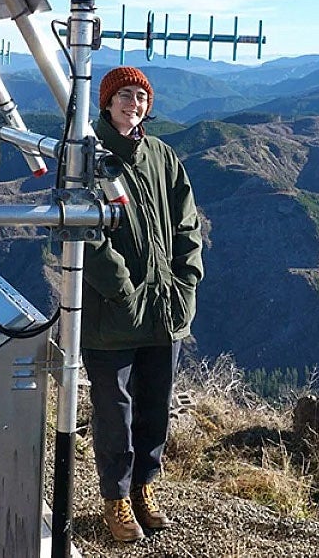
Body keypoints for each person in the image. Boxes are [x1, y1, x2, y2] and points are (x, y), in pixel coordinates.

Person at [81, 66, 204, 541]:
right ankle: (115, 497)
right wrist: (123, 288)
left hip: (165, 310)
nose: (134, 103)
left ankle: (144, 488)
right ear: (107, 102)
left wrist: (187, 280)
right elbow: (85, 234)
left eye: (141, 96)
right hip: (114, 314)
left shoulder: (162, 157)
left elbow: (187, 225)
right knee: (114, 410)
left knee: (155, 405)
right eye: (125, 96)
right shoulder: (88, 159)